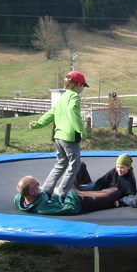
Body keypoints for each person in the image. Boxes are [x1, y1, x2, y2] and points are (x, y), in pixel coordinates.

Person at [29, 70, 89, 205]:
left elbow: (52, 113)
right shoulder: (74, 96)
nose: (83, 89)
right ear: (78, 85)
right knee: (74, 166)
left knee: (61, 164)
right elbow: (72, 111)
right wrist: (81, 131)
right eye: (83, 86)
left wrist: (38, 124)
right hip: (69, 137)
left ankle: (46, 190)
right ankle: (62, 194)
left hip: (58, 137)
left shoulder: (63, 97)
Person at [15, 175, 121, 215]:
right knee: (115, 191)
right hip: (80, 200)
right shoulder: (43, 206)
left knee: (79, 165)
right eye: (37, 185)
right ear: (31, 192)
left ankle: (91, 187)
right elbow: (72, 209)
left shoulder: (19, 198)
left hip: (67, 191)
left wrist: (44, 189)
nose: (40, 185)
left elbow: (20, 192)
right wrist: (62, 192)